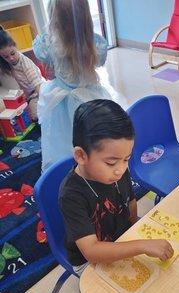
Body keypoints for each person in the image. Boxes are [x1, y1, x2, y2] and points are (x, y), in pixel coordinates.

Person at [59, 99, 174, 293]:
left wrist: (138, 226)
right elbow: (92, 251)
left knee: (160, 280)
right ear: (81, 155)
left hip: (122, 239)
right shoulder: (72, 194)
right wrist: (142, 244)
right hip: (91, 261)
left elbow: (130, 201)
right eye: (112, 161)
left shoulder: (115, 172)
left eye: (126, 159)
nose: (121, 169)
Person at [33, 0, 111, 172]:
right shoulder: (95, 42)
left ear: (54, 18)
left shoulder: (47, 42)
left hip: (59, 100)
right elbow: (100, 62)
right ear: (86, 16)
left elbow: (44, 61)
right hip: (90, 98)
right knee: (93, 138)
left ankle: (65, 171)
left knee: (60, 139)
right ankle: (95, 166)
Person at [0, 27, 43, 121]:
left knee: (35, 116)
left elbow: (36, 82)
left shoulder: (25, 63)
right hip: (28, 94)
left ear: (15, 46)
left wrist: (43, 97)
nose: (11, 58)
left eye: (12, 53)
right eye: (6, 57)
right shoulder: (8, 64)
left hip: (38, 92)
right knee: (17, 112)